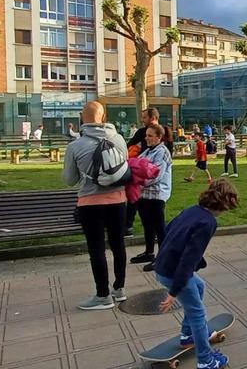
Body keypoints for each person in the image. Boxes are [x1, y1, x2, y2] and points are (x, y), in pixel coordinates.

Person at [152, 179, 240, 369]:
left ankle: (188, 335)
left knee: (198, 287)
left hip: (163, 267)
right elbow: (188, 260)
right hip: (174, 273)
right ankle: (205, 361)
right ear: (223, 203)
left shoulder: (192, 210)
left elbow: (168, 231)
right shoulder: (208, 222)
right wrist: (174, 292)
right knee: (198, 314)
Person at [63, 101, 130, 310]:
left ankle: (102, 295)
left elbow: (69, 180)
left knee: (97, 249)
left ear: (83, 119)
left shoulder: (75, 146)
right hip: (118, 200)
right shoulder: (119, 140)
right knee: (118, 245)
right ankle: (119, 289)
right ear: (103, 117)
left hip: (90, 204)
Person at [131, 123, 172, 269]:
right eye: (146, 135)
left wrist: (137, 180)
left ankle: (164, 257)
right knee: (147, 225)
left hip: (156, 195)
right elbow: (135, 164)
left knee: (159, 227)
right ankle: (149, 252)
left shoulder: (162, 152)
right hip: (144, 195)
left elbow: (155, 175)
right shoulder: (148, 151)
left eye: (150, 136)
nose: (146, 138)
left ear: (159, 137)